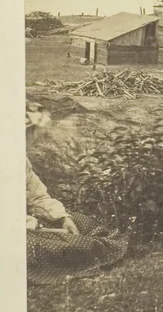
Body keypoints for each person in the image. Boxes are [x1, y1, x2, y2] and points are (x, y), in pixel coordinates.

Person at [25, 101, 127, 285]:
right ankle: (68, 259)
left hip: (26, 222)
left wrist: (62, 218)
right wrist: (39, 227)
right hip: (5, 232)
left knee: (80, 222)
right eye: (29, 137)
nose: (31, 142)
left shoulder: (21, 161)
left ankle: (80, 251)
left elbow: (38, 196)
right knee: (33, 247)